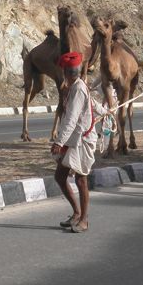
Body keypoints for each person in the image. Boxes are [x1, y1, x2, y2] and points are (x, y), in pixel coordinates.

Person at [51, 51, 106, 233]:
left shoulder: (78, 89)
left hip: (81, 141)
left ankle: (84, 220)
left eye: (64, 71)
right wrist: (105, 111)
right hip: (73, 140)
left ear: (66, 72)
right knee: (60, 176)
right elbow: (92, 104)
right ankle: (76, 212)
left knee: (81, 179)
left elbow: (71, 120)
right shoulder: (78, 86)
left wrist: (59, 142)